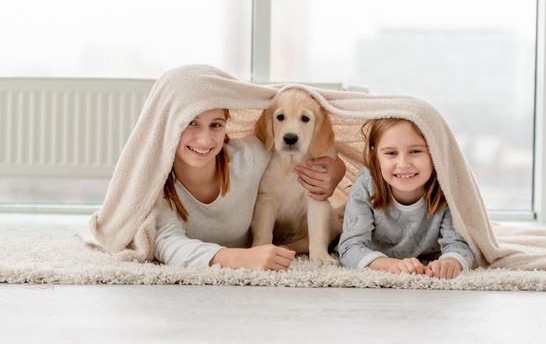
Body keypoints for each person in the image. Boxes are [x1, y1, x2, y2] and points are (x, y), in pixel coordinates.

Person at [155, 108, 346, 271]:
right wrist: (238, 258)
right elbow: (166, 242)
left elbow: (299, 140)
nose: (204, 140)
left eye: (216, 125)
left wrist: (338, 168)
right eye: (191, 123)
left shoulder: (249, 157)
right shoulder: (158, 183)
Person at [338, 118, 474, 279]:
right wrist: (391, 265)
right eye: (390, 153)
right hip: (377, 255)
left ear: (434, 152)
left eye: (415, 151)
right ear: (376, 156)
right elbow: (349, 248)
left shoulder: (446, 185)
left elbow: (461, 245)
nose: (403, 164)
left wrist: (450, 262)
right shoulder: (367, 183)